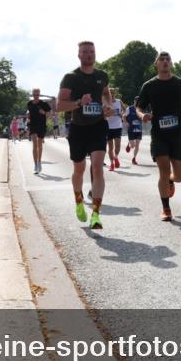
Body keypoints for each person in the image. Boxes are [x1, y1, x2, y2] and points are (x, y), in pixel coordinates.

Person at [56, 41, 113, 230]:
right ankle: (79, 200)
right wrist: (79, 103)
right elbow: (59, 105)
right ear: (79, 55)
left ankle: (96, 214)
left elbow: (106, 93)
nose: (89, 54)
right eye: (85, 52)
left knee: (97, 167)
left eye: (92, 51)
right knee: (79, 169)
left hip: (98, 126)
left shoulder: (102, 76)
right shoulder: (71, 78)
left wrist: (107, 105)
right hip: (78, 128)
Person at [136, 52, 181, 222]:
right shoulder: (149, 86)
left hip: (177, 135)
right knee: (163, 170)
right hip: (159, 135)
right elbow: (139, 107)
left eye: (167, 59)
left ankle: (171, 180)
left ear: (171, 63)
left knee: (180, 176)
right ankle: (166, 208)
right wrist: (142, 115)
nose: (164, 61)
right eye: (161, 59)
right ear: (156, 64)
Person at [27, 89, 51, 174]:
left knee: (39, 145)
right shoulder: (29, 103)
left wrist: (44, 112)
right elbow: (28, 111)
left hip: (41, 126)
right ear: (32, 95)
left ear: (39, 95)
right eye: (34, 95)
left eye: (37, 95)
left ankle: (39, 162)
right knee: (34, 145)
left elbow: (49, 114)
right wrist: (28, 115)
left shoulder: (43, 103)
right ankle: (35, 165)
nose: (35, 96)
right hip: (33, 125)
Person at [106, 88, 125, 172]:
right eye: (110, 93)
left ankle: (116, 157)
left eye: (113, 93)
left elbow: (125, 110)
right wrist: (107, 113)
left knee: (117, 146)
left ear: (115, 94)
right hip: (108, 127)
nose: (112, 94)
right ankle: (112, 164)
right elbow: (102, 113)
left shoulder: (119, 102)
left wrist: (122, 114)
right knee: (110, 147)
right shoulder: (106, 103)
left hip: (117, 126)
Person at [124, 97, 144, 165]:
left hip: (139, 129)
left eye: (139, 101)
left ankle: (134, 158)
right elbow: (124, 116)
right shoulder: (129, 108)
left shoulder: (141, 109)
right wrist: (126, 122)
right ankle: (129, 145)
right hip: (131, 129)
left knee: (137, 145)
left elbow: (143, 117)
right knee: (133, 146)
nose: (137, 102)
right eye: (136, 101)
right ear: (134, 101)